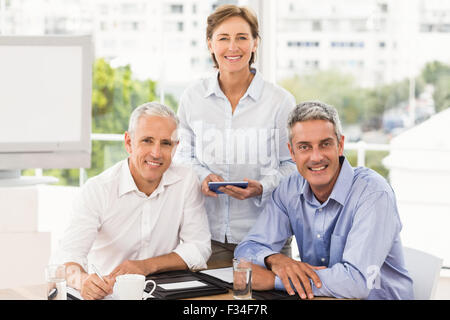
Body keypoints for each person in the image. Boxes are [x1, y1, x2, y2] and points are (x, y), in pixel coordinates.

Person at [234, 101, 414, 300]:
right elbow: (247, 248)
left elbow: (356, 283)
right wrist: (274, 260)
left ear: (340, 145)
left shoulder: (373, 194)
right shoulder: (289, 188)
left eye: (325, 144)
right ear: (292, 152)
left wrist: (272, 280)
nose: (316, 157)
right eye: (304, 147)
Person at [174, 4, 296, 266]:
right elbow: (183, 154)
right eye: (223, 38)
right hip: (208, 238)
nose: (233, 47)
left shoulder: (280, 101)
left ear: (255, 43)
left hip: (267, 239)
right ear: (210, 44)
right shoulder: (193, 97)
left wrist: (262, 187)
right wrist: (203, 176)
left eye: (242, 37)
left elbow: (293, 165)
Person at [54, 102, 211, 300]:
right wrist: (83, 281)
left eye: (165, 143)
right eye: (147, 140)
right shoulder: (98, 189)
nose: (156, 153)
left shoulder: (186, 180)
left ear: (175, 147)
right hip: (107, 295)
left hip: (162, 292)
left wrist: (146, 266)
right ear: (129, 142)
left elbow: (198, 247)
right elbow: (66, 258)